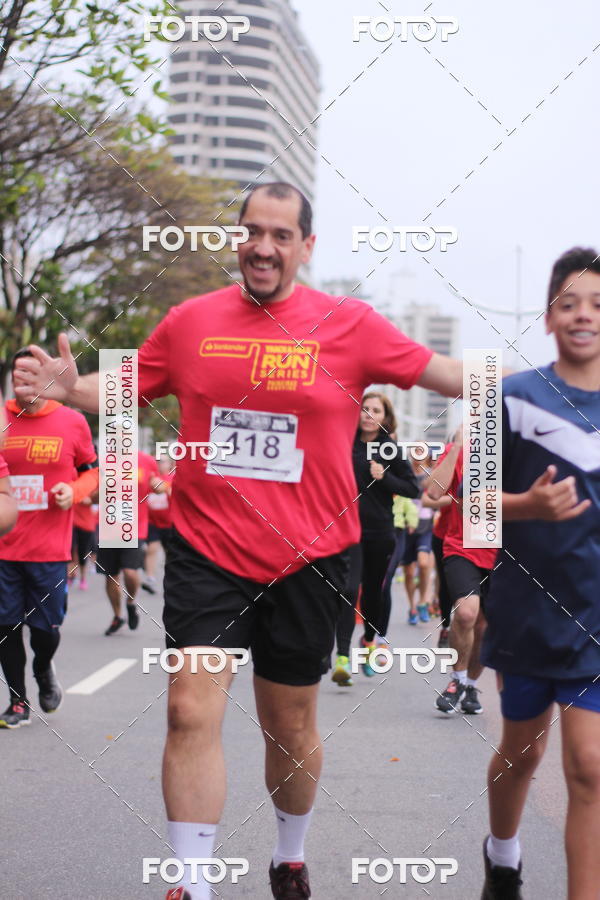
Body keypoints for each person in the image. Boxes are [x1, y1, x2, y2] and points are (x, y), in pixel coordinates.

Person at [13, 181, 465, 899]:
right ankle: (193, 882)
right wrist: (71, 388)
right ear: (239, 239)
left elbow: (450, 375)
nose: (262, 246)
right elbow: (128, 386)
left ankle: (290, 852)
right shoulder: (192, 322)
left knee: (289, 725)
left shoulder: (350, 325)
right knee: (189, 706)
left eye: (281, 235)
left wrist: (549, 384)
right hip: (207, 549)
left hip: (313, 558)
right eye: (252, 231)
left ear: (305, 247)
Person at [480, 247, 600, 900]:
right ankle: (502, 855)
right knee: (521, 754)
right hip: (527, 605)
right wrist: (526, 506)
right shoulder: (514, 396)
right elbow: (472, 499)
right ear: (548, 318)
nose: (584, 315)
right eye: (569, 303)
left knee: (589, 767)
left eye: (598, 305)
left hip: (598, 613)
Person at [0, 349, 98, 729]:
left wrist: (72, 492)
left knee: (45, 631)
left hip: (49, 549)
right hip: (4, 548)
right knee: (5, 626)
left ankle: (43, 669)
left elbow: (92, 473)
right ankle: (18, 701)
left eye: (31, 373)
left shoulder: (72, 421)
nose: (23, 381)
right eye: (17, 374)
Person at [332, 392, 418, 685]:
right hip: (347, 529)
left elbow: (412, 489)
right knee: (348, 587)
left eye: (375, 410)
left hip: (381, 532)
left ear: (385, 417)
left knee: (372, 592)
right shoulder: (345, 443)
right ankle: (342, 657)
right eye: (364, 409)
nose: (368, 414)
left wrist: (385, 478)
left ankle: (368, 640)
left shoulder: (389, 449)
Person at [426, 431, 497, 715]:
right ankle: (456, 680)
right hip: (462, 547)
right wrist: (456, 446)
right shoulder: (461, 449)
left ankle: (469, 684)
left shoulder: (516, 448)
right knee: (467, 613)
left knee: (486, 628)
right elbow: (432, 493)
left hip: (503, 552)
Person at [98, 450, 163, 635]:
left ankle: (131, 602)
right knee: (111, 575)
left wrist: (158, 485)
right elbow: (95, 492)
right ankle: (117, 616)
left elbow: (157, 485)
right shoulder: (104, 460)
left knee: (130, 571)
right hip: (108, 528)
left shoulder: (146, 460)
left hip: (134, 527)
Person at [402, 450, 436, 625]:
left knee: (423, 563)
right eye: (414, 450)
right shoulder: (404, 472)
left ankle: (423, 601)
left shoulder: (431, 474)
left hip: (425, 526)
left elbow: (439, 494)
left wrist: (436, 514)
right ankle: (412, 606)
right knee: (408, 572)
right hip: (406, 527)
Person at [142, 456, 174, 595]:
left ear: (170, 464)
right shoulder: (151, 477)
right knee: (152, 549)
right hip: (152, 522)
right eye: (157, 461)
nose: (159, 463)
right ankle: (150, 578)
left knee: (169, 553)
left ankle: (171, 580)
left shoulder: (170, 477)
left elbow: (162, 488)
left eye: (162, 461)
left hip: (169, 522)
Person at [70, 493, 98, 589]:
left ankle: (83, 578)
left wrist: (77, 497)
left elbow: (91, 503)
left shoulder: (93, 484)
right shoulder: (73, 482)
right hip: (72, 523)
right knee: (71, 551)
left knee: (82, 553)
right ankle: (71, 575)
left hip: (86, 526)